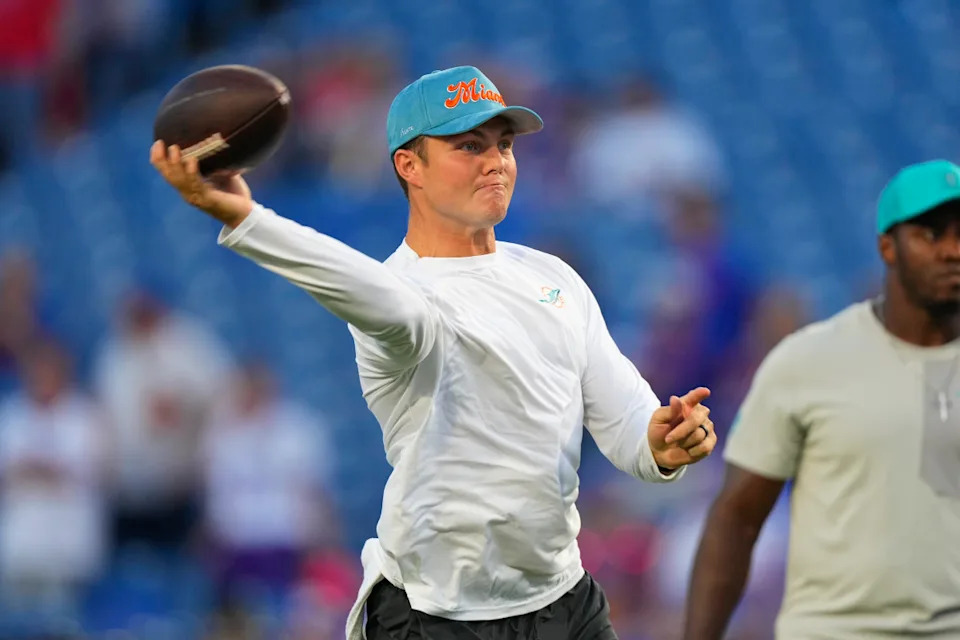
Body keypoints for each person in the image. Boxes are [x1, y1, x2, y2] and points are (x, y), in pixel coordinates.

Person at [150, 65, 717, 640]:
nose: (495, 160)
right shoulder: (405, 292)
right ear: (408, 165)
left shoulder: (555, 278)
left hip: (561, 602)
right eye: (468, 145)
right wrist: (250, 221)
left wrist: (664, 439)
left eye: (504, 144)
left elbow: (626, 424)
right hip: (436, 614)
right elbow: (379, 297)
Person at [684, 159, 960, 639]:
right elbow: (736, 521)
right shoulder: (808, 363)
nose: (952, 251)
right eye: (930, 234)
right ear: (887, 247)